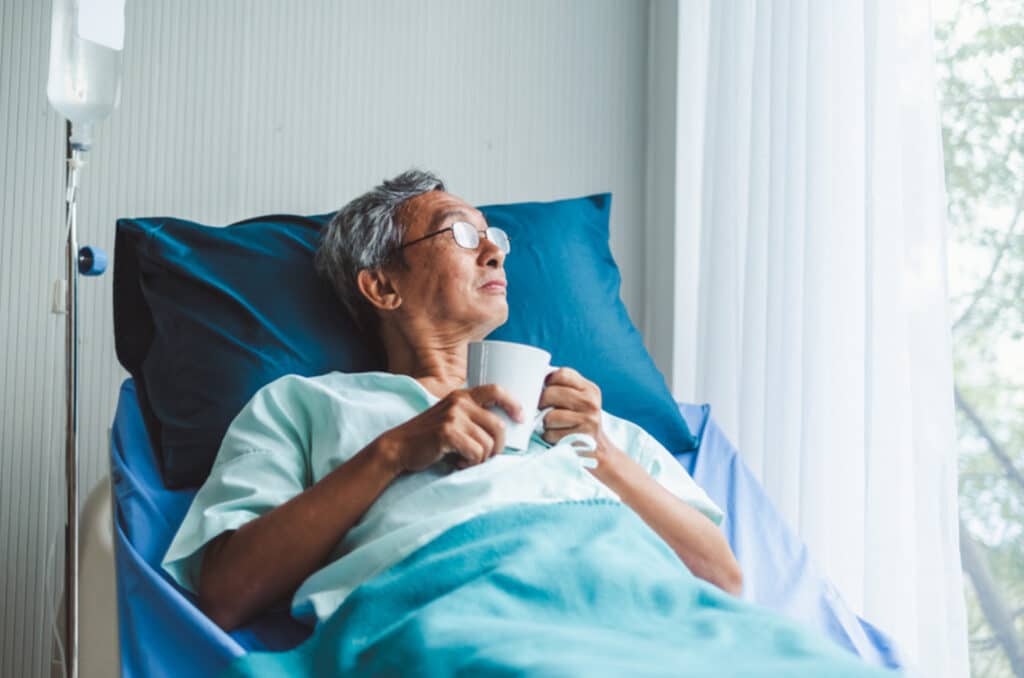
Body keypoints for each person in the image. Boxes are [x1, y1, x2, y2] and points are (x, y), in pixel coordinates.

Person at [162, 169, 742, 633]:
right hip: (461, 623)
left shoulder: (581, 417)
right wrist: (393, 452)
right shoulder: (307, 407)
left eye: (494, 238)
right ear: (383, 285)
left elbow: (722, 578)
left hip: (638, 615)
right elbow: (227, 594)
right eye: (462, 234)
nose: (494, 251)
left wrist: (604, 456)